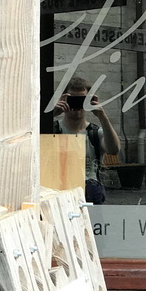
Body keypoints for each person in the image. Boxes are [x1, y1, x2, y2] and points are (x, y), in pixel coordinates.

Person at [51, 76, 120, 204]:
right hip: (59, 194)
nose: (77, 106)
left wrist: (102, 116)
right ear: (64, 99)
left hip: (90, 195)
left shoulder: (94, 133)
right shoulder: (52, 130)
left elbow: (114, 149)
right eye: (72, 99)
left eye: (82, 100)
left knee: (92, 188)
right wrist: (51, 114)